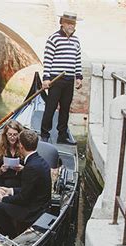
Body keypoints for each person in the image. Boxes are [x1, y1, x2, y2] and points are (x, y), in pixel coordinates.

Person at [0, 130, 52, 238]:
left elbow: (23, 199)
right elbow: (29, 190)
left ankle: (11, 235)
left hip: (33, 211)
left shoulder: (31, 167)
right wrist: (10, 191)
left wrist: (2, 199)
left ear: (21, 146)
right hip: (39, 205)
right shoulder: (40, 161)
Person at [40, 11, 83, 145]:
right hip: (55, 79)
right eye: (68, 23)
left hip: (69, 79)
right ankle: (45, 134)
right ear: (62, 23)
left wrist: (79, 77)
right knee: (51, 107)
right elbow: (48, 59)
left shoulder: (76, 40)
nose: (71, 25)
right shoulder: (54, 38)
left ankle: (62, 135)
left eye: (73, 23)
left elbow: (77, 60)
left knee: (65, 108)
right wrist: (46, 78)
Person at [0, 120, 24, 188]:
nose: (12, 137)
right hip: (2, 182)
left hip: (19, 183)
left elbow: (31, 170)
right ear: (5, 134)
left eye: (15, 134)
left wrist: (23, 169)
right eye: (10, 134)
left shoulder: (24, 147)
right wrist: (1, 170)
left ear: (19, 134)